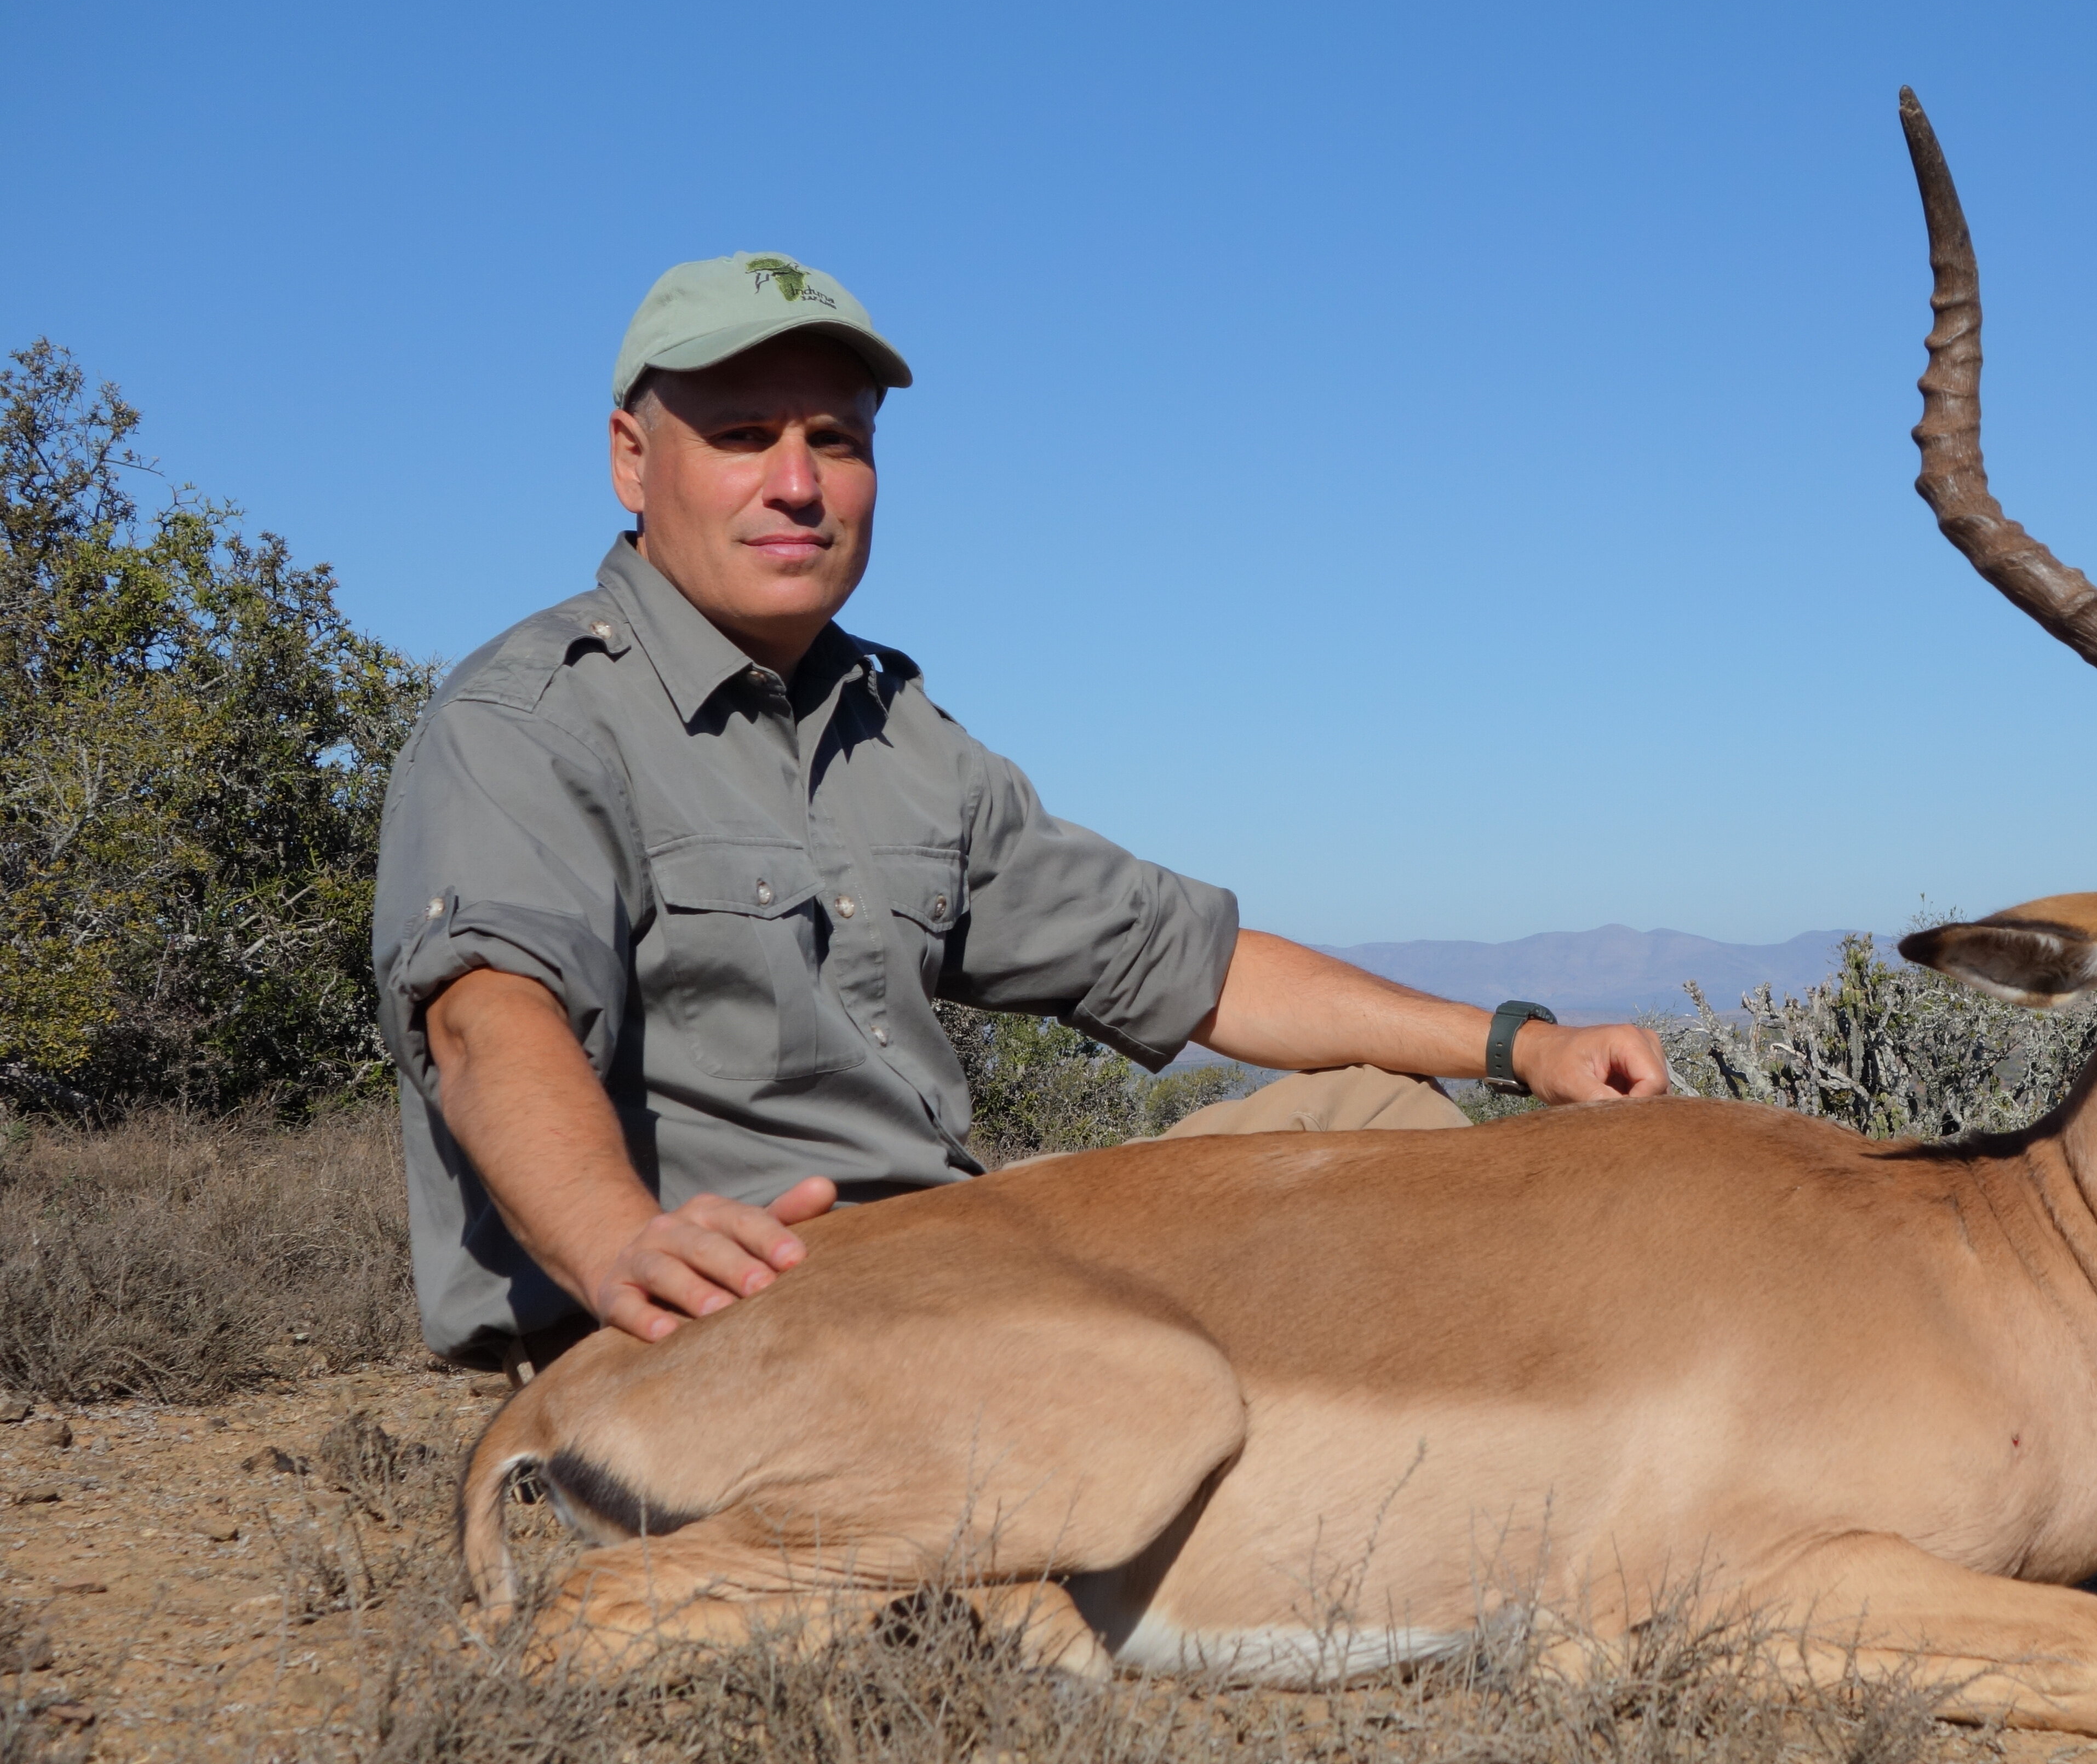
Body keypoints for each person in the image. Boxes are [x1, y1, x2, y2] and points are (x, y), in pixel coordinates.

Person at [373, 251, 1667, 1375]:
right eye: (741, 433)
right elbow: (490, 1022)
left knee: (1391, 1126)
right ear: (630, 458)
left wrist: (1519, 1047)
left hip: (944, 1255)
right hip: (724, 1310)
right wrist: (619, 1247)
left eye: (836, 439)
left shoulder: (898, 734)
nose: (797, 482)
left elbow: (1185, 964)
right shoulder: (532, 719)